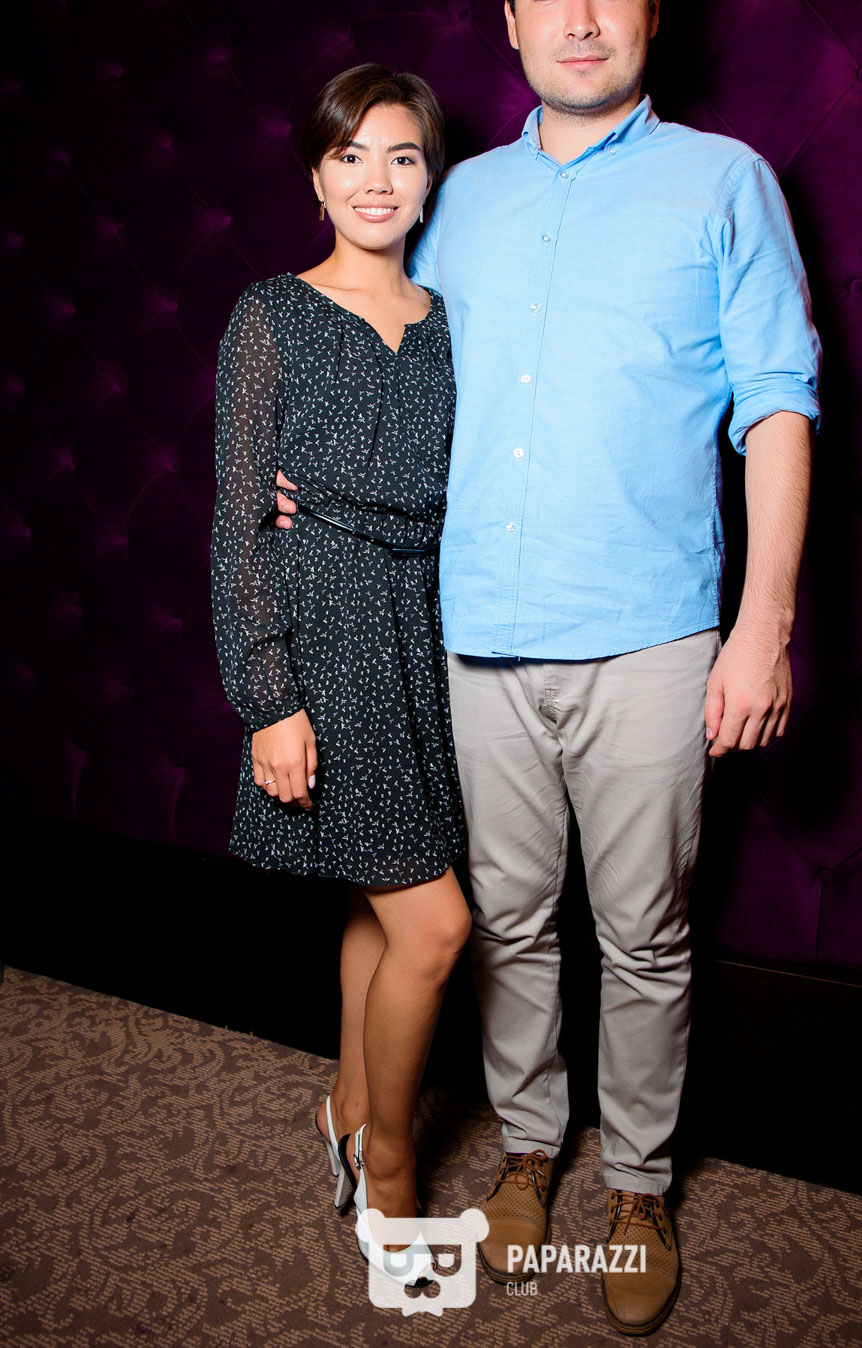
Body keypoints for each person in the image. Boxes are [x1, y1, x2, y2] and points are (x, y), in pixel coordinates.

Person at [278, 0, 821, 1335]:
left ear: (651, 10)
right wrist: (298, 481)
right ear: (511, 25)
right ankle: (530, 1149)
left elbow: (776, 403)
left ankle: (635, 1182)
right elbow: (382, 355)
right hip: (469, 635)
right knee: (507, 923)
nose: (578, 15)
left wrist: (764, 623)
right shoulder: (458, 199)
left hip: (652, 635)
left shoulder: (724, 181)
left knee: (642, 933)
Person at [211, 65, 470, 1286]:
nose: (376, 180)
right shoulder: (269, 313)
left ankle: (346, 1114)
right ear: (315, 178)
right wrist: (268, 697)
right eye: (349, 155)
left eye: (401, 155)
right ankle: (393, 1165)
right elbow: (235, 523)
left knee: (378, 904)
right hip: (325, 628)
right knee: (435, 922)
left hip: (425, 629)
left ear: (430, 178)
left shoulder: (453, 320)